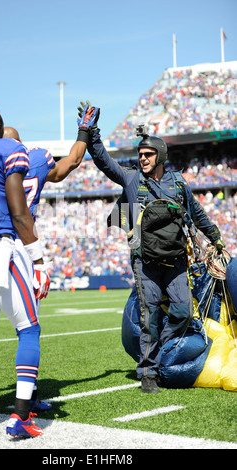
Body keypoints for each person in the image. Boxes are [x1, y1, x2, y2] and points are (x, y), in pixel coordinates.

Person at [0, 103, 99, 446]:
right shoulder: (22, 155)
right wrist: (39, 261)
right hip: (5, 248)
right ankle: (22, 414)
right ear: (1, 131)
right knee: (28, 328)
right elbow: (21, 208)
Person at [81, 102, 225, 394]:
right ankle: (148, 373)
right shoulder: (133, 180)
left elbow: (197, 214)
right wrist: (91, 133)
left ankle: (160, 355)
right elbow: (104, 161)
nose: (142, 158)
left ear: (161, 157)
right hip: (144, 262)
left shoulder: (178, 183)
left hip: (176, 262)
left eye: (148, 154)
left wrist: (216, 237)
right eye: (140, 154)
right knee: (150, 317)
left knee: (183, 312)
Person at [0, 124, 88, 415]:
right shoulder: (35, 158)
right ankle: (28, 397)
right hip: (20, 248)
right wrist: (84, 132)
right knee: (27, 327)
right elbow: (71, 162)